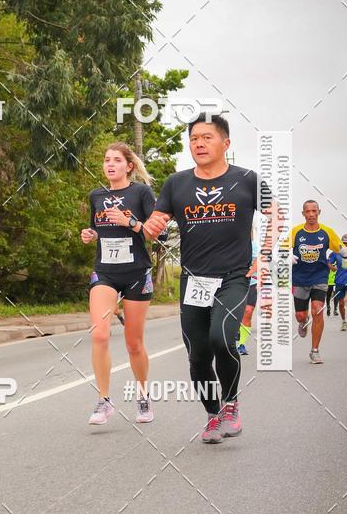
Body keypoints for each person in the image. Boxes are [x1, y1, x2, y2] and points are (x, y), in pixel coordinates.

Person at [143, 113, 274, 444]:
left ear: (225, 143)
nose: (198, 143)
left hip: (233, 277)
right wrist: (150, 227)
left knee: (221, 339)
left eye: (207, 137)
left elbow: (277, 216)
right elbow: (156, 224)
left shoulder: (247, 180)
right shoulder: (177, 183)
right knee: (197, 354)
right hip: (194, 281)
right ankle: (213, 415)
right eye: (193, 139)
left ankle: (231, 405)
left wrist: (264, 258)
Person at [81, 142, 157, 426]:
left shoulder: (141, 193)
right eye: (106, 160)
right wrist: (90, 235)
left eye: (116, 160)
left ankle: (143, 395)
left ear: (129, 166)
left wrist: (131, 222)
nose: (109, 164)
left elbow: (153, 233)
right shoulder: (96, 196)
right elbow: (99, 230)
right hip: (106, 273)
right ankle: (103, 401)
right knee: (99, 334)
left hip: (137, 272)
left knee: (134, 343)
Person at [290, 201, 347, 363]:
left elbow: (340, 247)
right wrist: (286, 256)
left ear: (319, 212)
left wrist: (344, 251)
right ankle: (303, 323)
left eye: (314, 211)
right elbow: (281, 248)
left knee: (317, 310)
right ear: (303, 214)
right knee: (301, 315)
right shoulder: (295, 232)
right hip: (299, 278)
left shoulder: (327, 232)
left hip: (320, 277)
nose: (311, 214)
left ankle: (314, 350)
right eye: (307, 211)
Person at [237, 236, 259, 355]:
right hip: (233, 284)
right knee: (234, 313)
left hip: (251, 282)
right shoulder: (229, 244)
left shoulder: (253, 246)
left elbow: (259, 261)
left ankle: (241, 344)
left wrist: (249, 274)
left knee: (248, 311)